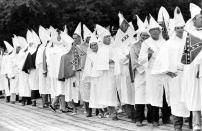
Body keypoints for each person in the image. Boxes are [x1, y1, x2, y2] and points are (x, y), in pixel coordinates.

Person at [152, 7, 190, 131]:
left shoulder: (190, 40)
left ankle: (192, 122)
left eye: (182, 27)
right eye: (178, 28)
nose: (180, 29)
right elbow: (160, 61)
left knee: (190, 98)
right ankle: (177, 125)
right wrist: (167, 71)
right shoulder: (168, 44)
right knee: (176, 100)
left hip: (188, 75)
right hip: (175, 77)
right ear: (174, 29)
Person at [138, 15, 169, 126]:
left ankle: (166, 118)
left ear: (160, 31)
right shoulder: (146, 44)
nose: (155, 32)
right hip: (152, 74)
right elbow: (141, 60)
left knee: (165, 95)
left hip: (164, 73)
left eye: (157, 30)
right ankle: (154, 119)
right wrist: (149, 55)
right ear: (150, 32)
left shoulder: (164, 42)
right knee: (153, 96)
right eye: (153, 30)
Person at [180, 3, 202, 131]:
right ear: (194, 19)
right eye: (200, 17)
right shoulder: (187, 34)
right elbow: (186, 54)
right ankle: (196, 123)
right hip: (193, 70)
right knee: (195, 96)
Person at [94, 24, 119, 120]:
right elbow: (98, 62)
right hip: (104, 74)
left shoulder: (113, 47)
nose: (108, 38)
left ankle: (114, 110)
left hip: (113, 72)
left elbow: (117, 57)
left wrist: (112, 60)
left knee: (113, 91)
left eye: (109, 36)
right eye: (106, 37)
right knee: (107, 92)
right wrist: (108, 61)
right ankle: (111, 111)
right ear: (102, 39)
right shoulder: (100, 49)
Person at [130, 15, 151, 126]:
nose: (144, 37)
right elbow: (134, 60)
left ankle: (152, 118)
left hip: (151, 73)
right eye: (143, 35)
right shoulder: (134, 46)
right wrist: (144, 66)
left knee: (151, 94)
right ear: (139, 35)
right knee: (139, 95)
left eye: (146, 35)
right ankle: (139, 118)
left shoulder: (152, 45)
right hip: (140, 73)